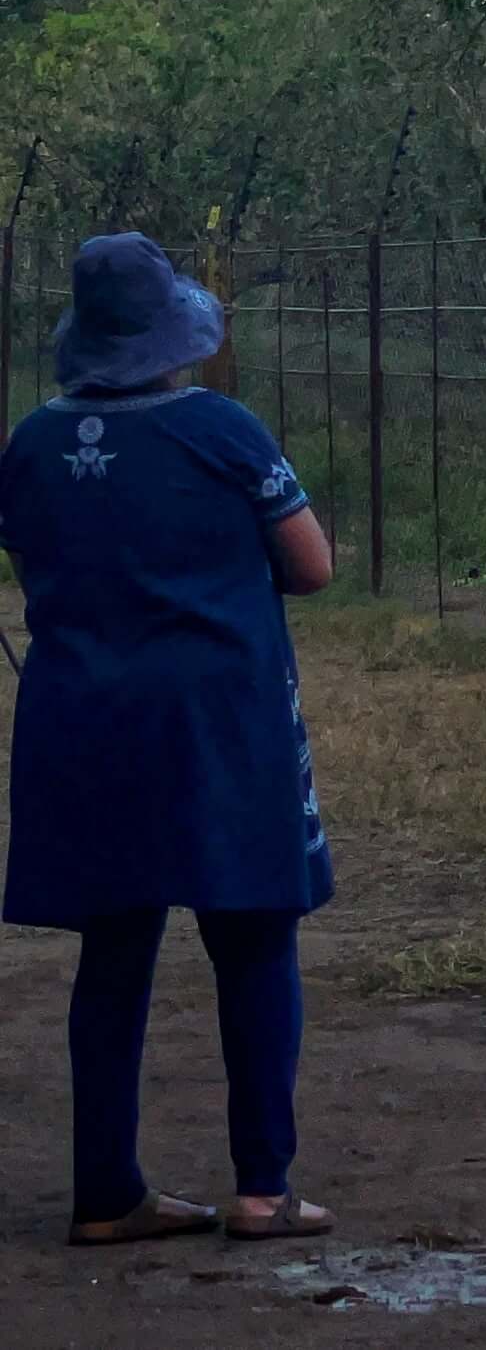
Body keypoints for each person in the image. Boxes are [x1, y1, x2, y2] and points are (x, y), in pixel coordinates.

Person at [0, 232, 337, 1246]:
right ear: (173, 335)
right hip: (218, 725)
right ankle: (264, 1189)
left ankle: (107, 1191)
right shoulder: (224, 431)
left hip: (81, 724)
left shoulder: (30, 443)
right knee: (252, 934)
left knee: (115, 949)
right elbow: (312, 566)